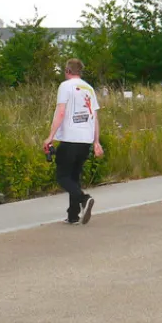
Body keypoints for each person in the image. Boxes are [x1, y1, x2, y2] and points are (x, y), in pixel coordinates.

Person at [44, 58, 104, 225]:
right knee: (74, 178)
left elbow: (61, 112)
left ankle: (84, 199)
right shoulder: (89, 88)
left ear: (68, 71)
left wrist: (50, 136)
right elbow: (94, 117)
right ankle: (73, 215)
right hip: (85, 140)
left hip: (70, 138)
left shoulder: (65, 86)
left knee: (63, 176)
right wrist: (96, 142)